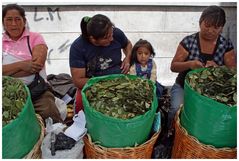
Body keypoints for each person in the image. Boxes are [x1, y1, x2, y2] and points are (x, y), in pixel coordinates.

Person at [168, 5, 236, 131]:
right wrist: (190, 64)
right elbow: (173, 66)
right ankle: (171, 136)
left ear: (222, 28)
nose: (210, 30)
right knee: (176, 109)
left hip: (213, 92)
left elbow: (233, 71)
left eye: (216, 27)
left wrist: (218, 68)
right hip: (184, 86)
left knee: (209, 117)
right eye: (207, 25)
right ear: (200, 22)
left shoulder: (225, 45)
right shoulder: (189, 42)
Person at [2, 4, 63, 123]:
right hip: (8, 93)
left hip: (37, 91)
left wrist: (6, 71)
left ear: (24, 21)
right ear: (3, 22)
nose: (13, 24)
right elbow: (28, 66)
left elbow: (36, 65)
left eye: (17, 19)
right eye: (9, 20)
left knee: (49, 112)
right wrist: (21, 65)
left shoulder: (35, 38)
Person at [69, 14, 132, 113]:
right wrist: (106, 84)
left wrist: (128, 58)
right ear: (93, 39)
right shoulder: (78, 47)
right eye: (106, 38)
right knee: (84, 109)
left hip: (119, 79)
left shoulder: (116, 33)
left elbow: (127, 44)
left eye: (111, 34)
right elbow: (78, 81)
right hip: (92, 85)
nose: (111, 39)